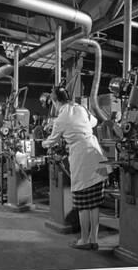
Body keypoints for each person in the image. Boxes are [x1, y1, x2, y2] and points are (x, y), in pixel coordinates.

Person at [42, 86, 109, 250]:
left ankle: (84, 240)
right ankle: (94, 239)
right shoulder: (80, 108)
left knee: (83, 203)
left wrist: (42, 142)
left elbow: (51, 141)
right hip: (97, 155)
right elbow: (93, 122)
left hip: (82, 160)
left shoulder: (61, 118)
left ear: (56, 101)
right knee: (94, 204)